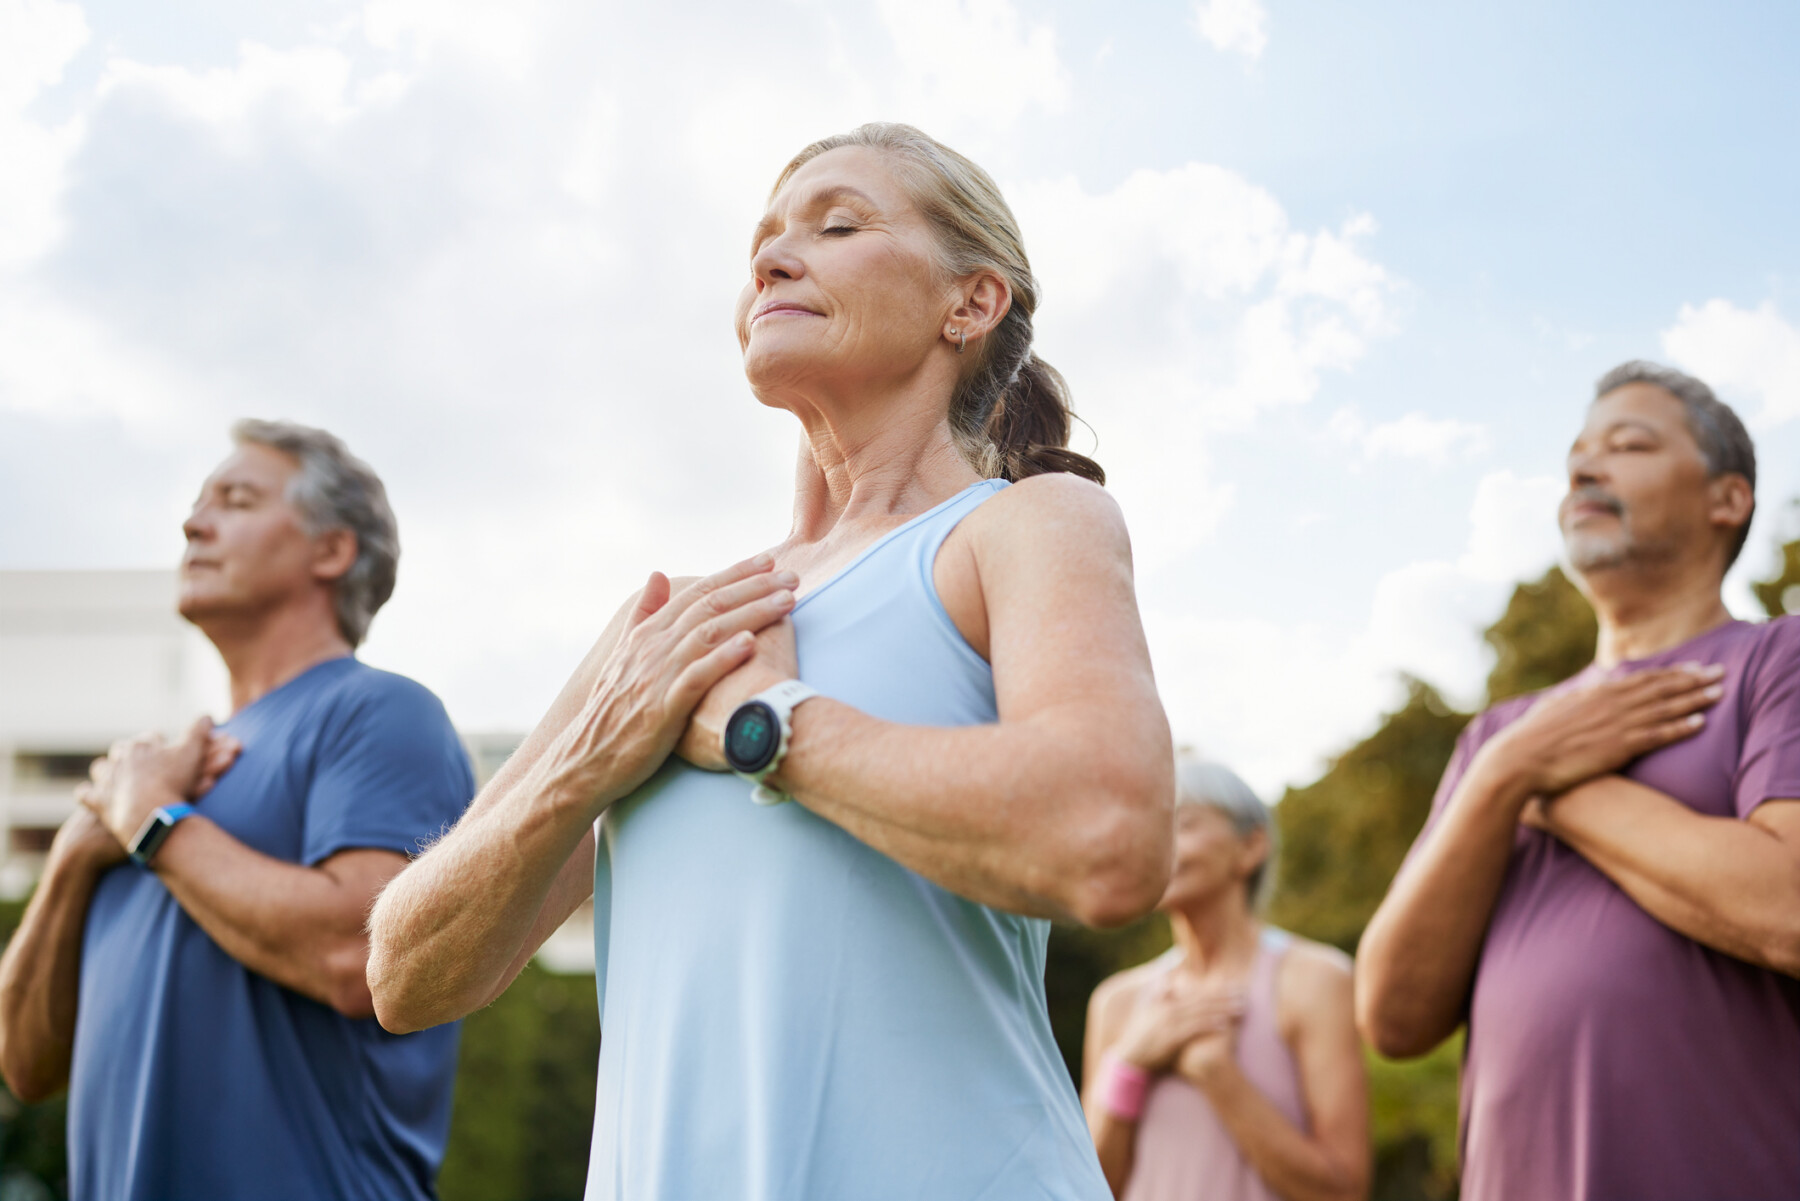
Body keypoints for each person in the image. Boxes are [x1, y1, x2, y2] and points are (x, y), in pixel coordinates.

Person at [366, 122, 1174, 1199]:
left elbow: (1108, 835)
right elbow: (407, 972)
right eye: (764, 240)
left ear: (970, 303)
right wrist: (587, 766)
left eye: (838, 224)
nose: (772, 259)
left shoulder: (1024, 529)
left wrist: (771, 727)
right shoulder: (668, 628)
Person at [1357, 361, 1800, 1201]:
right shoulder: (1496, 739)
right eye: (1575, 456)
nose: (1583, 471)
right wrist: (1508, 771)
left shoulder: (1779, 658)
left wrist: (1549, 784)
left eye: (1629, 445)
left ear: (1728, 499)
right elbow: (1393, 1013)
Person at [0, 421, 474, 1201]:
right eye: (197, 503)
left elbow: (359, 959)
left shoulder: (380, 714)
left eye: (237, 499)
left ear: (331, 551)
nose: (193, 523)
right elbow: (27, 1062)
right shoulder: (152, 778)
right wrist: (75, 856)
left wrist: (153, 821)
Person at [1083, 757, 1369, 1201]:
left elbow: (1343, 1191)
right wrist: (1131, 1063)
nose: (1158, 844)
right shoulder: (1116, 1002)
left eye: (1185, 824)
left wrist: (1215, 1073)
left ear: (1251, 847)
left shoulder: (1316, 980)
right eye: (1150, 827)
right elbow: (1088, 1188)